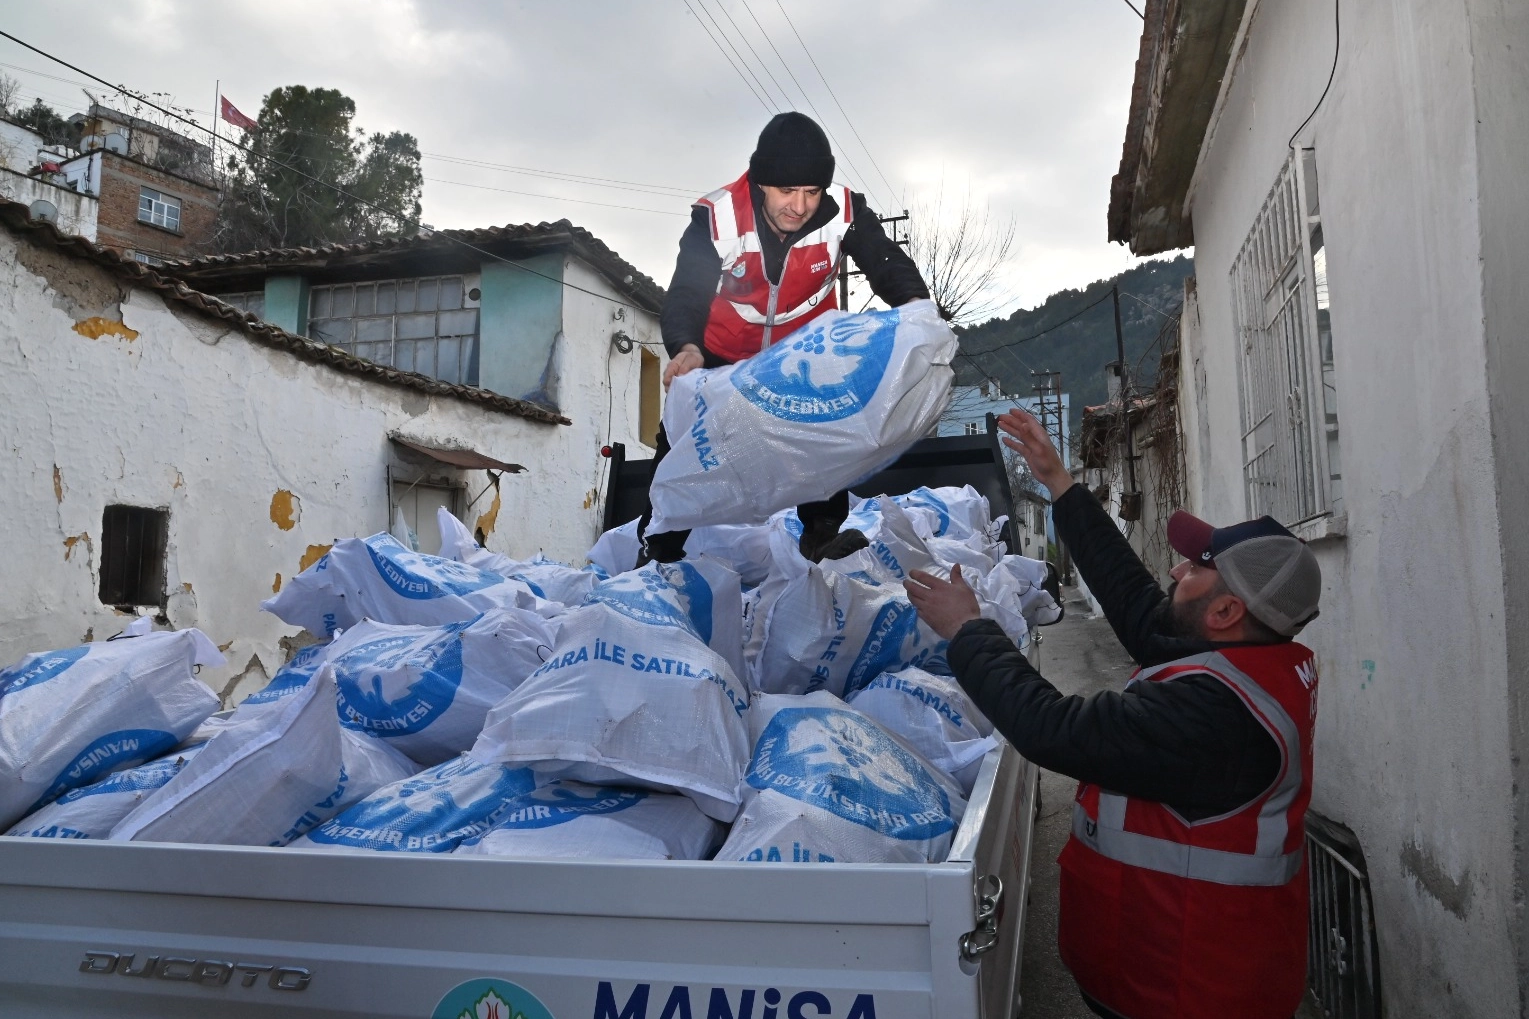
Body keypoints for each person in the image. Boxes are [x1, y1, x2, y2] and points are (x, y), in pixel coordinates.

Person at [904, 407, 1323, 1019]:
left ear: (1227, 613)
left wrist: (969, 629)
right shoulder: (1257, 661)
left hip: (1192, 992)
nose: (1176, 567)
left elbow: (1052, 727)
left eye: (1197, 566)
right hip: (1179, 971)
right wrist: (1060, 485)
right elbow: (1138, 606)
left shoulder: (1214, 716)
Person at [638, 111, 930, 565]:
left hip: (802, 353)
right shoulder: (718, 218)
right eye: (787, 191)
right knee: (683, 444)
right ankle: (657, 551)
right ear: (760, 183)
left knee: (825, 431)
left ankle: (822, 535)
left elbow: (888, 265)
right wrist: (687, 348)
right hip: (721, 354)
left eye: (812, 191)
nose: (800, 205)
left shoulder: (844, 212)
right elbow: (686, 292)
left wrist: (920, 314)